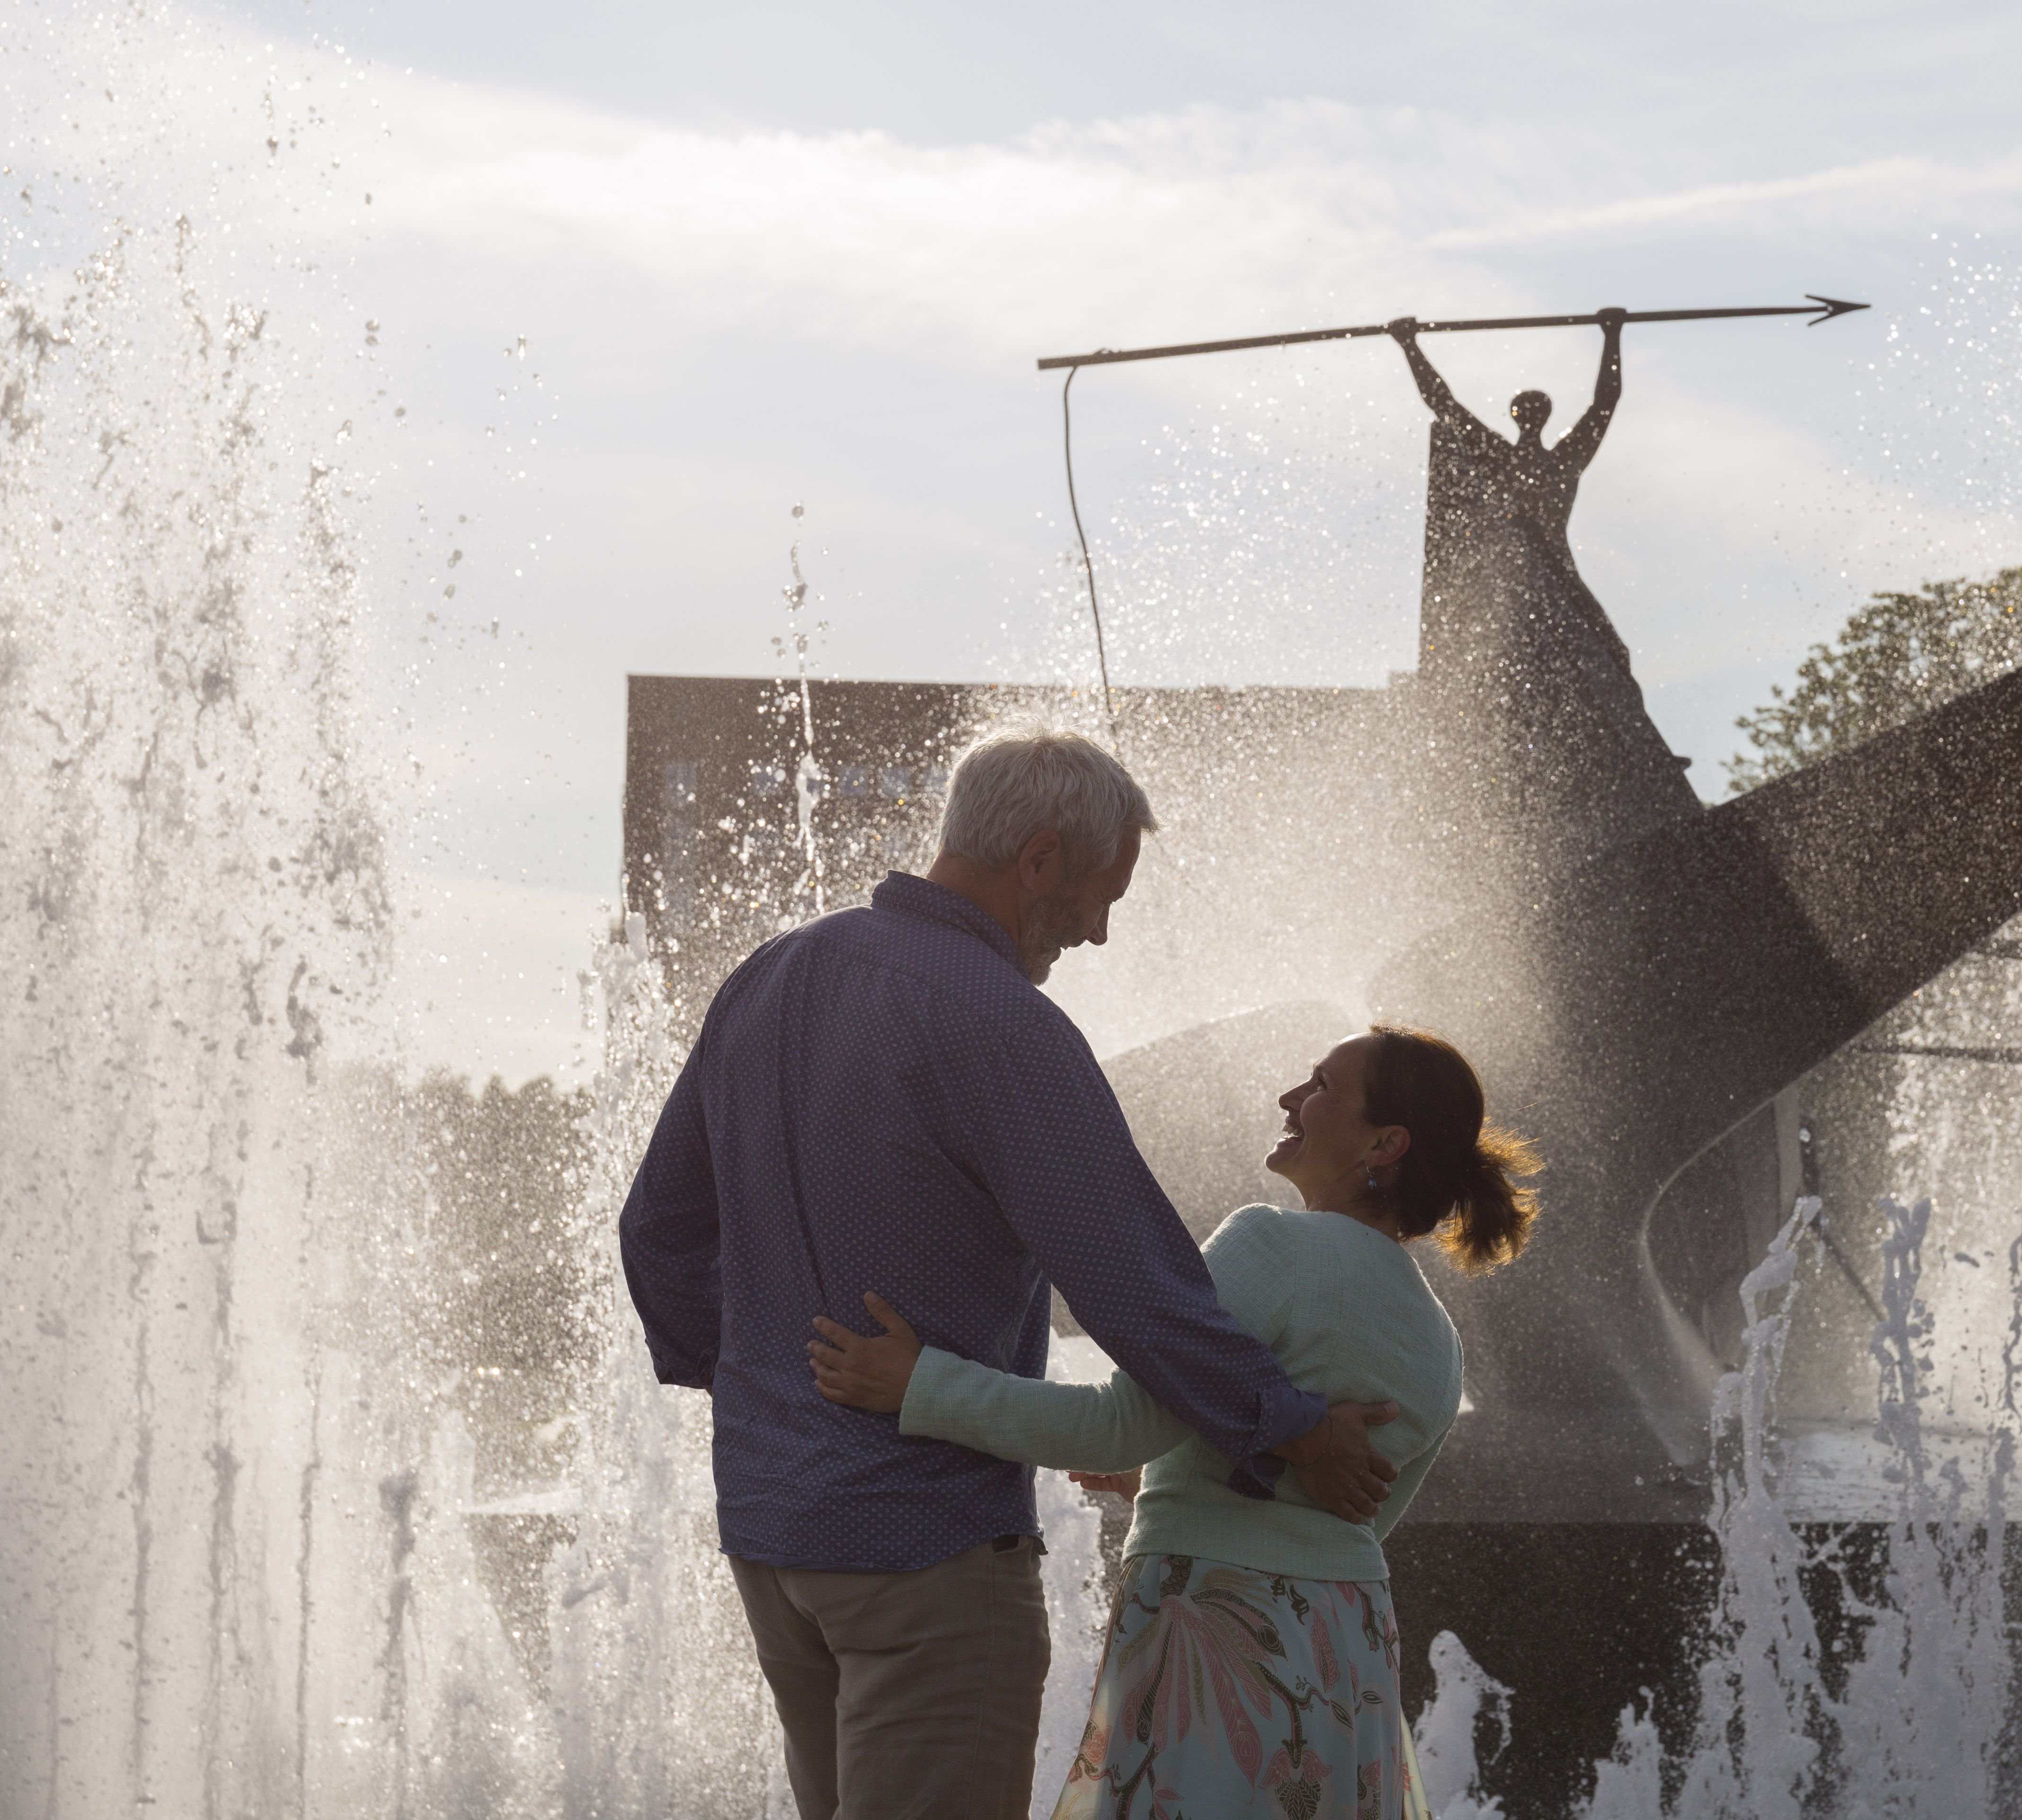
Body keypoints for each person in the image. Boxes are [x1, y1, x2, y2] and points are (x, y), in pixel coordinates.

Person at [617, 726, 1403, 1820]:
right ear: (1036, 858)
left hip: (774, 1540)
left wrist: (766, 1391)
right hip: (925, 1556)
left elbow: (655, 1229)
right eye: (1097, 893)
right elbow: (1136, 1287)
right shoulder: (1000, 1026)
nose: (1099, 928)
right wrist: (1287, 1425)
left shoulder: (768, 976)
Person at [807, 1025, 1539, 1820]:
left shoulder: (1272, 1243)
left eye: (1323, 1086)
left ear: (1384, 1145)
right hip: (1349, 1654)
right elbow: (1351, 1519)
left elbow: (1115, 1424)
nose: (1291, 1099)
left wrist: (921, 1385)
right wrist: (1169, 1479)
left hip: (1216, 1634)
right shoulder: (1440, 1341)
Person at [1388, 306, 1699, 876]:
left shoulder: (1564, 462)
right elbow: (1444, 405)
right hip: (1521, 587)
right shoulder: (1501, 460)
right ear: (1514, 417)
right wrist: (1408, 346)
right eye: (1524, 412)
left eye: (1537, 412)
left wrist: (1612, 336)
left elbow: (1605, 404)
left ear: (1545, 418)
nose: (1531, 419)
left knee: (1616, 658)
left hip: (1559, 577)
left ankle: (1643, 756)